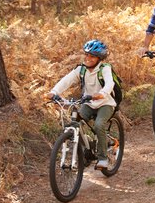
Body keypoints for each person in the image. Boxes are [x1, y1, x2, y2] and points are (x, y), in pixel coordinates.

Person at [46, 40, 117, 170]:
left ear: (99, 59)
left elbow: (109, 84)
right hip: (88, 103)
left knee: (99, 124)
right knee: (76, 120)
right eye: (86, 55)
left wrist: (101, 93)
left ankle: (102, 158)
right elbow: (67, 80)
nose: (87, 58)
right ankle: (87, 147)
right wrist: (54, 92)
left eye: (92, 56)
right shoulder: (81, 69)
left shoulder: (105, 68)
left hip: (105, 103)